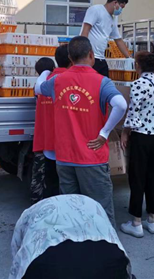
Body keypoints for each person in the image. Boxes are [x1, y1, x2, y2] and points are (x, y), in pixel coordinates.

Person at [35, 36, 127, 227]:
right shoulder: (102, 82)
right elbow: (120, 104)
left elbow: (38, 88)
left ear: (70, 57)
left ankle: (76, 241)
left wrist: (45, 71)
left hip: (65, 157)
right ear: (91, 55)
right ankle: (104, 242)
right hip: (91, 157)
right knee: (99, 209)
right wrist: (104, 133)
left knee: (71, 210)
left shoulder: (58, 81)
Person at [9, 195, 132, 279]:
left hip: (47, 269)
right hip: (110, 264)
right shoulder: (93, 207)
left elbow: (17, 260)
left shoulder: (29, 218)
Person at [120, 51, 154, 238]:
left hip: (142, 135)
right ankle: (152, 219)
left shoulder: (138, 84)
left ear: (138, 65)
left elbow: (133, 113)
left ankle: (136, 222)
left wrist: (125, 132)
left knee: (137, 177)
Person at [80, 0, 131, 76]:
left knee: (104, 81)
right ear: (115, 2)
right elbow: (85, 31)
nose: (121, 10)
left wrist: (129, 58)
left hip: (101, 58)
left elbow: (118, 40)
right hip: (89, 57)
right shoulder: (96, 10)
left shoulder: (112, 20)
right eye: (121, 7)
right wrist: (84, 54)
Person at [31, 57, 56, 204]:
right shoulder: (57, 83)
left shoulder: (38, 85)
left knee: (39, 171)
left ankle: (36, 201)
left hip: (42, 134)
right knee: (55, 173)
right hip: (55, 134)